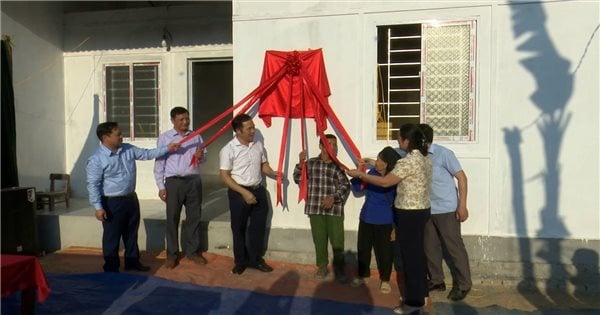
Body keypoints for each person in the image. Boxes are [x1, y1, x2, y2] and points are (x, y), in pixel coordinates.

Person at [347, 123, 432, 315]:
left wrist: (361, 174)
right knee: (417, 256)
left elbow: (385, 182)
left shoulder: (408, 161)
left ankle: (413, 302)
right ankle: (422, 293)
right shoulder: (425, 158)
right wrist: (370, 164)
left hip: (409, 214)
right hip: (421, 211)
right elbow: (392, 168)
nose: (397, 141)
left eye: (399, 138)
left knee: (410, 260)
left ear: (407, 141)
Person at [87, 121, 179, 272]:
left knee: (131, 233)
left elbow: (147, 154)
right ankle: (111, 267)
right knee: (112, 236)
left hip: (130, 199)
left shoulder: (127, 149)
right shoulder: (97, 159)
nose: (122, 137)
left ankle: (132, 262)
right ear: (105, 137)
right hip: (111, 202)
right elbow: (93, 185)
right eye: (118, 134)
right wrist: (98, 207)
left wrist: (167, 148)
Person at [219, 114, 279, 275]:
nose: (253, 131)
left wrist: (274, 173)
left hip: (258, 190)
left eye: (253, 127)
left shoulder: (258, 145)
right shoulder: (228, 150)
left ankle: (256, 259)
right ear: (238, 131)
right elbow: (224, 175)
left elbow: (263, 166)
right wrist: (244, 193)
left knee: (258, 227)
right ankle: (240, 261)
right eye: (249, 128)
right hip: (239, 192)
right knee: (238, 228)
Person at [419, 123, 472, 301]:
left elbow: (462, 178)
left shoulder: (444, 154)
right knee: (430, 247)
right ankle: (436, 281)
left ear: (424, 141)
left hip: (447, 209)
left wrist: (462, 205)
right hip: (427, 208)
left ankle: (464, 285)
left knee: (454, 247)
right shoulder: (416, 156)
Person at [154, 107, 208, 269]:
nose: (185, 122)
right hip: (173, 182)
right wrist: (161, 186)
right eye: (181, 119)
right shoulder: (165, 138)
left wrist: (201, 157)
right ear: (173, 121)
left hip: (193, 181)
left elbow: (204, 155)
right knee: (172, 218)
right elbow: (159, 162)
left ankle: (192, 252)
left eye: (187, 119)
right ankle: (172, 254)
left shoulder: (196, 136)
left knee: (194, 216)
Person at [293, 134, 351, 283]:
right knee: (319, 239)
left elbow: (345, 185)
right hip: (315, 208)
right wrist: (300, 163)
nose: (332, 147)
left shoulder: (338, 167)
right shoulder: (311, 163)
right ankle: (322, 266)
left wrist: (334, 197)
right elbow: (297, 178)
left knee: (337, 241)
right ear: (321, 146)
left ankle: (339, 269)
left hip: (334, 209)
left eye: (334, 144)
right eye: (329, 144)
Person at [349, 146, 401, 294]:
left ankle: (385, 280)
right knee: (363, 248)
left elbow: (398, 203)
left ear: (386, 164)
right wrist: (359, 173)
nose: (375, 161)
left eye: (378, 159)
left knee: (385, 252)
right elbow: (359, 189)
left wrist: (395, 226)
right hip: (366, 217)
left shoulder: (393, 179)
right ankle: (363, 275)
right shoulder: (371, 173)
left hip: (385, 220)